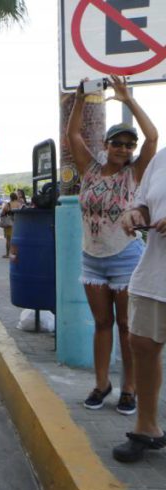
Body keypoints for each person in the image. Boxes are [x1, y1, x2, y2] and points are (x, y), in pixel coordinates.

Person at [67, 74, 158, 414]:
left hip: (125, 258)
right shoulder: (89, 170)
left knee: (126, 326)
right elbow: (72, 134)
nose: (123, 149)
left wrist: (127, 99)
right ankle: (101, 384)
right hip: (92, 259)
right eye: (116, 143)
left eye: (127, 145)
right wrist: (79, 99)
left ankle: (129, 388)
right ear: (105, 145)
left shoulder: (134, 173)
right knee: (102, 324)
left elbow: (152, 137)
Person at [113, 147, 166, 462]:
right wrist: (135, 215)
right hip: (156, 271)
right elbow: (143, 203)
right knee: (142, 343)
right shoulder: (161, 158)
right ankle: (147, 427)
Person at [0, 192, 22, 257]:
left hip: (9, 224)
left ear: (10, 197)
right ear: (16, 197)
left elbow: (2, 213)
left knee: (8, 240)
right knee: (17, 239)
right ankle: (16, 253)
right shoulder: (19, 204)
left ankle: (7, 254)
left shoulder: (8, 205)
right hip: (18, 224)